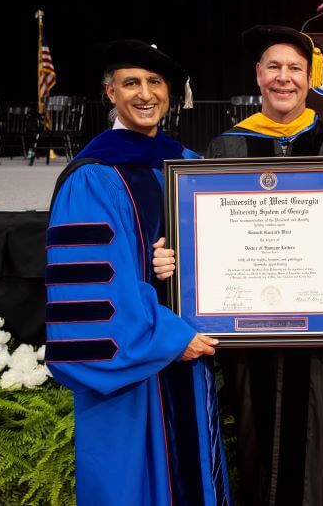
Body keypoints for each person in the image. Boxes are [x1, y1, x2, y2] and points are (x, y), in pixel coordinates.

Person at [175, 24, 323, 506]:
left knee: (321, 438)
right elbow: (204, 234)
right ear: (258, 75)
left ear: (309, 79)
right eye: (273, 67)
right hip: (249, 332)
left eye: (294, 68)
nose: (283, 78)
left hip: (322, 332)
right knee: (256, 434)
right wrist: (176, 257)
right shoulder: (227, 148)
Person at [44, 39, 231, 505]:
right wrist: (172, 336)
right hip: (133, 372)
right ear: (110, 93)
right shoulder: (92, 175)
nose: (145, 94)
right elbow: (95, 287)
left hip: (191, 359)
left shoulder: (189, 167)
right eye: (131, 83)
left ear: (171, 93)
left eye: (155, 83)